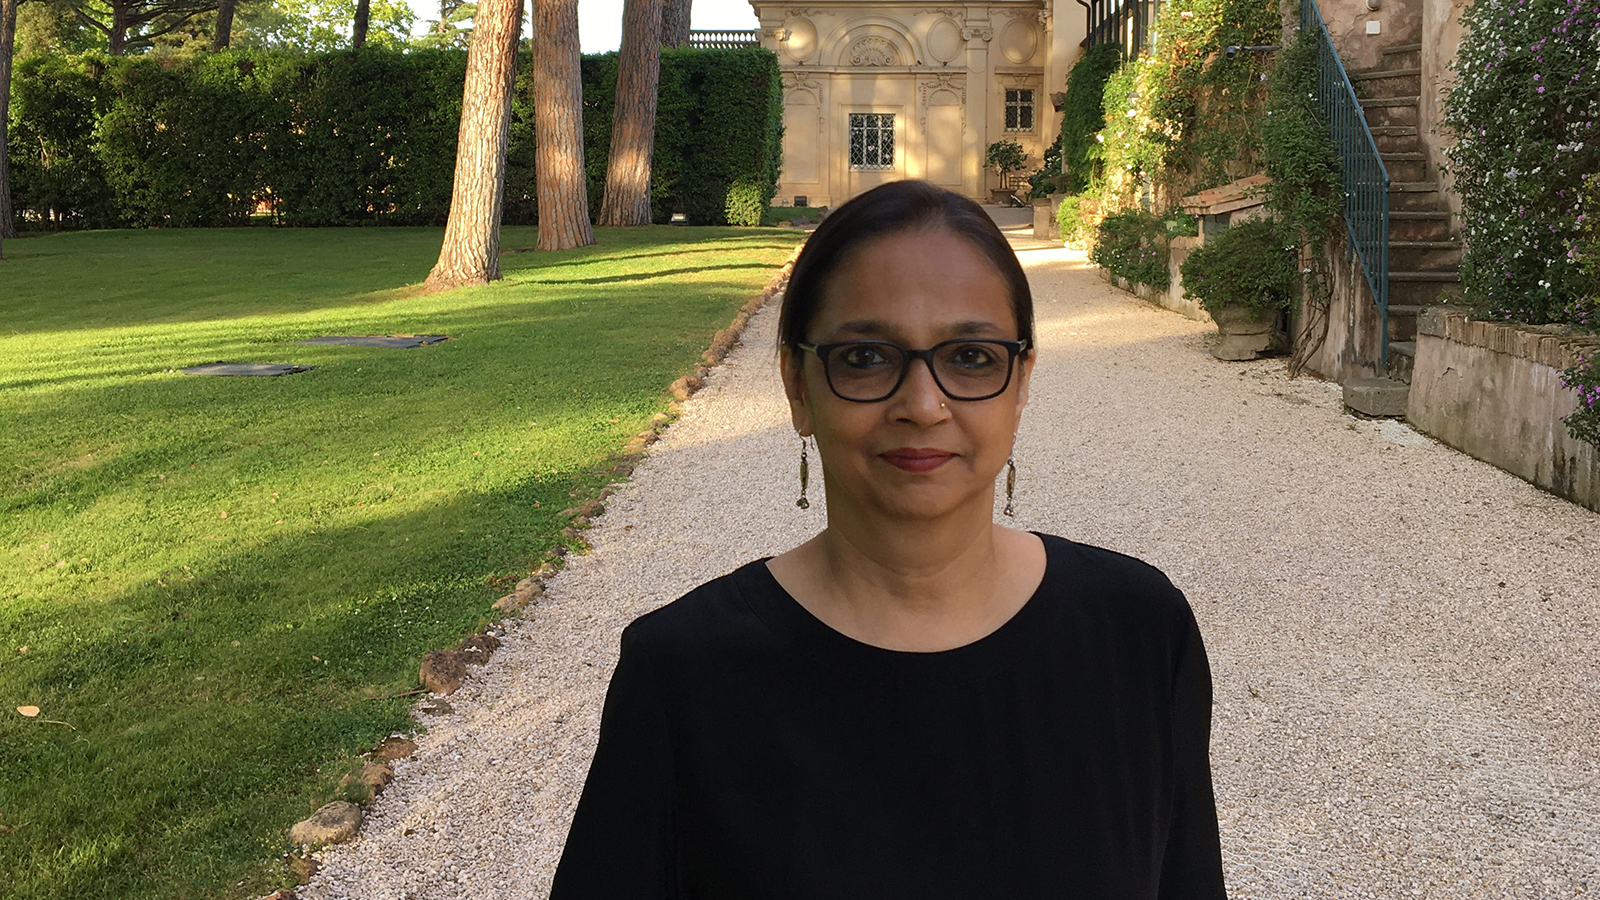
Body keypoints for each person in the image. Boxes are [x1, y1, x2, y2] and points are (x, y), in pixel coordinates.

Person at [549, 180, 1226, 899]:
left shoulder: (1140, 632)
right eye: (867, 358)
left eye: (970, 357)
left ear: (1021, 380)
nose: (923, 406)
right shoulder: (683, 675)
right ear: (797, 385)